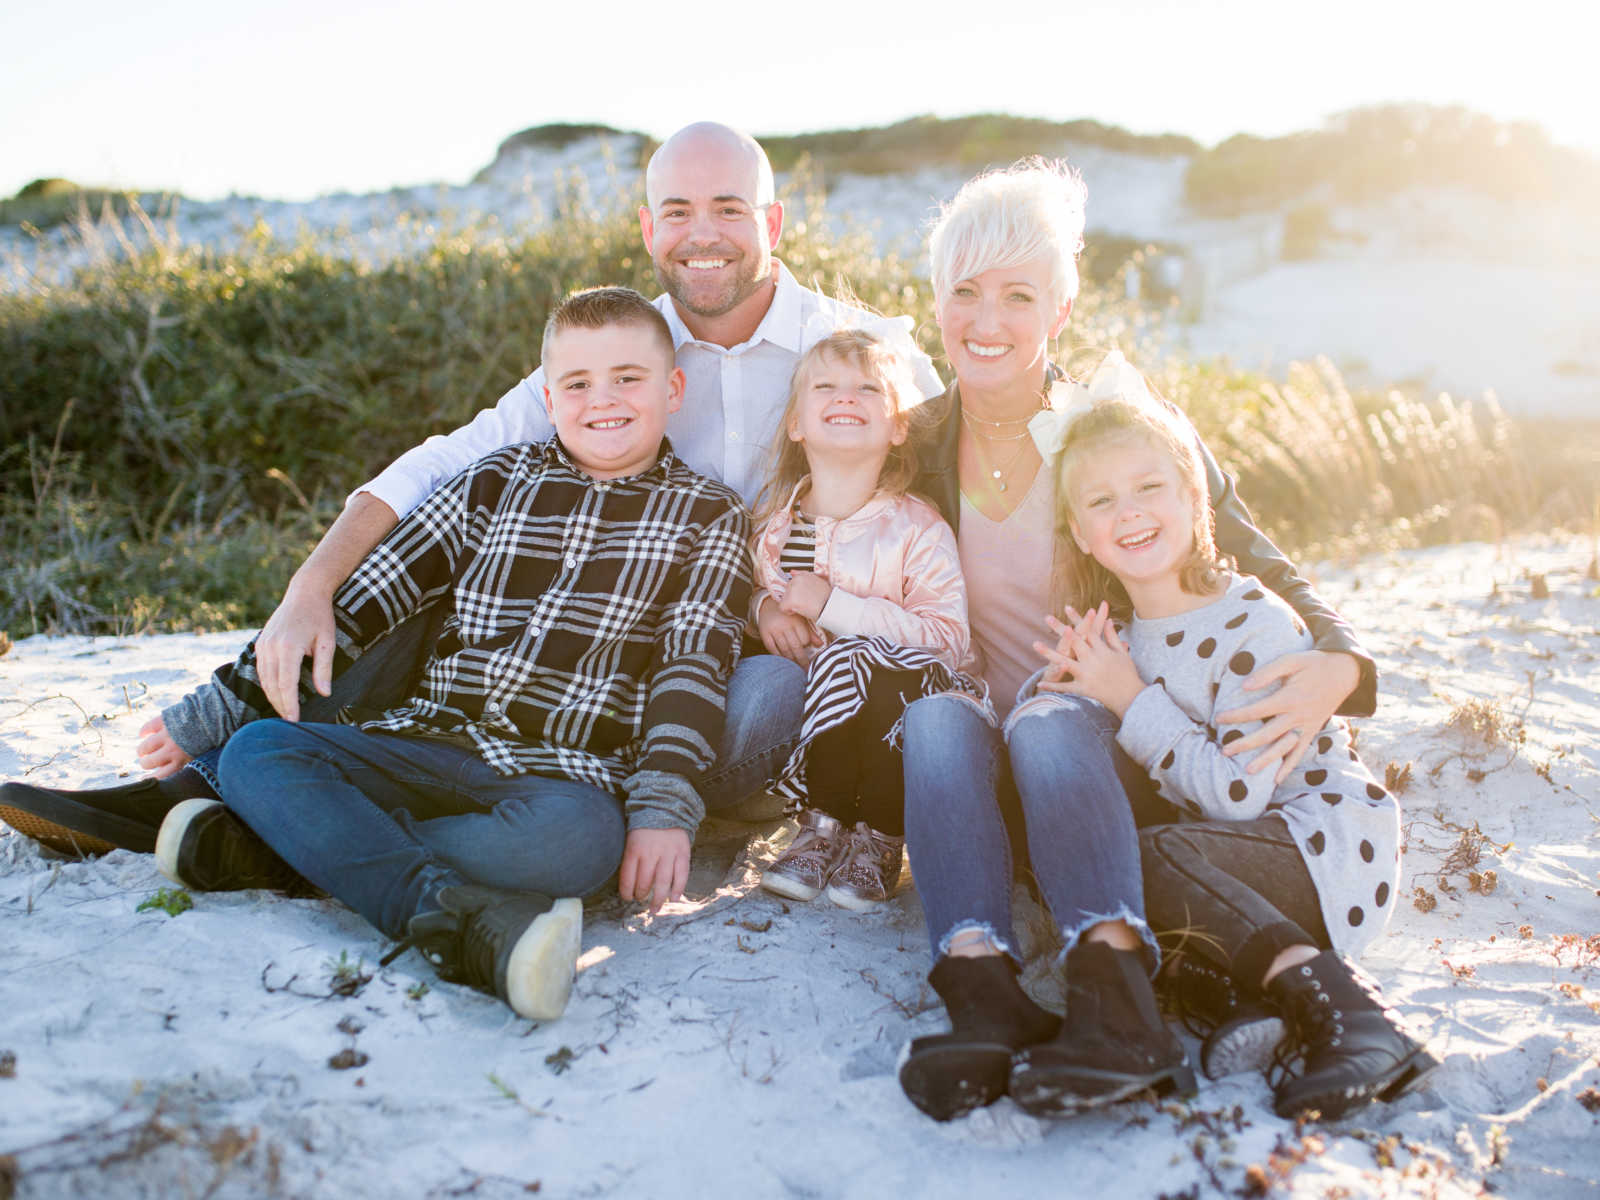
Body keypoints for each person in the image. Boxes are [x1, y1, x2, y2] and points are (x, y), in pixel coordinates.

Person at [0, 121, 941, 854]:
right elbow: (440, 466)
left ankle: (578, 813)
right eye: (680, 212)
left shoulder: (861, 351)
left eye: (731, 209)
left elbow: (960, 483)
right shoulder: (621, 352)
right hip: (594, 646)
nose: (705, 236)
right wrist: (308, 585)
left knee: (771, 691)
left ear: (773, 224)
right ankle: (190, 795)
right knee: (427, 577)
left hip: (742, 659)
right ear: (648, 228)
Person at [894, 159, 1382, 1123]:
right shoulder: (911, 441)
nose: (987, 320)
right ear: (936, 302)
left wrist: (1343, 663)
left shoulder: (1117, 433)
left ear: (1060, 313)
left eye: (1018, 295)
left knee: (1049, 719)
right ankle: (984, 1001)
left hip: (1109, 740)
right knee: (937, 720)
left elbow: (1253, 557)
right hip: (993, 753)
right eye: (965, 292)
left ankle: (1118, 1006)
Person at [150, 287, 750, 1020]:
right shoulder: (495, 481)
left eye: (629, 378)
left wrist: (663, 808)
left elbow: (692, 665)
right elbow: (366, 601)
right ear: (549, 397)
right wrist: (214, 708)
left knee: (579, 846)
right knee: (257, 752)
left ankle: (290, 851)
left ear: (673, 389)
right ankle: (454, 916)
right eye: (579, 383)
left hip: (561, 779)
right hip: (424, 744)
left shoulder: (709, 514)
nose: (605, 401)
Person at [1021, 351, 1433, 1120]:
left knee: (1152, 855)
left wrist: (1130, 697)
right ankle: (1251, 1003)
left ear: (1193, 497)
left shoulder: (1255, 621)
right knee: (1105, 867)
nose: (1130, 512)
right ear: (1079, 531)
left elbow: (1241, 796)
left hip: (1319, 848)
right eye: (1102, 501)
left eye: (1150, 488)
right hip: (1223, 867)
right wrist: (1065, 688)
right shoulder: (1124, 635)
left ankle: (1359, 1019)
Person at [749, 322, 981, 910]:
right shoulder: (774, 524)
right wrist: (764, 609)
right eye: (824, 386)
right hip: (816, 726)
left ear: (898, 426)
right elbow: (739, 592)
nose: (846, 397)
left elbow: (948, 641)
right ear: (797, 424)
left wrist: (835, 607)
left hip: (900, 716)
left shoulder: (916, 527)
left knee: (863, 659)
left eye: (869, 390)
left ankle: (879, 835)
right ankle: (820, 826)